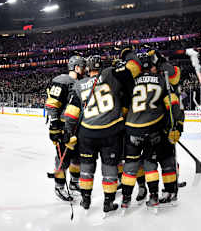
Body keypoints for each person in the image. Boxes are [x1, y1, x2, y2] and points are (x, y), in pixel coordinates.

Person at [63, 51, 142, 215]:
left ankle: (85, 200)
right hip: (111, 132)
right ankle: (108, 202)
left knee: (86, 167)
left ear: (87, 69)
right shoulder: (111, 75)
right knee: (110, 168)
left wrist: (67, 132)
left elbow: (71, 114)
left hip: (87, 133)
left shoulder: (79, 85)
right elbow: (132, 79)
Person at [120, 51, 184, 211]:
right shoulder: (163, 79)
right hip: (156, 129)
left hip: (132, 129)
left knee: (133, 164)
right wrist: (177, 126)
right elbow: (173, 104)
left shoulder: (131, 81)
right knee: (161, 160)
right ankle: (164, 193)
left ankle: (127, 198)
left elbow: (123, 106)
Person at [45, 55, 86, 202]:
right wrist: (54, 125)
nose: (85, 69)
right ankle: (59, 187)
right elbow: (52, 104)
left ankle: (74, 183)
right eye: (82, 66)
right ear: (76, 67)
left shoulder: (80, 83)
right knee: (63, 159)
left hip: (77, 127)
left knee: (77, 158)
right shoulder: (62, 80)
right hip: (63, 127)